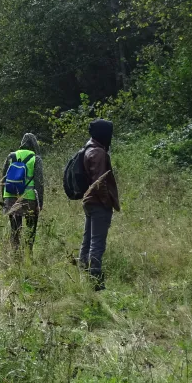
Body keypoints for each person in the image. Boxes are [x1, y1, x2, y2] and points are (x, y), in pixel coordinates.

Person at [79, 119, 121, 291]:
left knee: (88, 239)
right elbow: (99, 181)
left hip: (89, 201)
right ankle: (95, 281)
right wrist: (106, 202)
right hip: (97, 203)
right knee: (97, 242)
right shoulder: (98, 153)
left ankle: (82, 272)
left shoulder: (88, 149)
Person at [1, 133, 44, 255]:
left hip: (10, 198)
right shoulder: (36, 158)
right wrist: (40, 203)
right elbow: (39, 184)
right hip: (29, 199)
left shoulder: (11, 156)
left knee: (15, 229)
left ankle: (15, 255)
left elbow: (3, 180)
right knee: (31, 230)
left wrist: (4, 199)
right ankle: (28, 254)